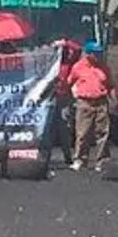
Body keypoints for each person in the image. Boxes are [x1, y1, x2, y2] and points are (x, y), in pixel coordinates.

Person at [67, 40, 114, 171]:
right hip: (84, 102)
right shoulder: (78, 67)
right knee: (83, 133)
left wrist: (114, 100)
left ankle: (102, 160)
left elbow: (110, 84)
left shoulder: (104, 67)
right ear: (88, 54)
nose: (98, 56)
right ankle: (80, 159)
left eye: (99, 53)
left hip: (101, 102)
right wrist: (72, 97)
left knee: (103, 132)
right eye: (96, 53)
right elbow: (69, 82)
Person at [42, 37, 81, 165]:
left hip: (64, 98)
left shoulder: (68, 63)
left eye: (63, 50)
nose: (61, 52)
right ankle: (45, 156)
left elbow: (78, 50)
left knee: (65, 127)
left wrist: (66, 42)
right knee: (49, 128)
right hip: (49, 98)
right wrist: (52, 46)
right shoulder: (47, 64)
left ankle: (67, 156)